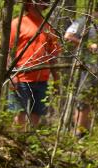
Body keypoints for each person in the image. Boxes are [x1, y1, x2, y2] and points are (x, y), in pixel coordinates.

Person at [64, 0, 98, 137]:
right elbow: (68, 36)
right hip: (86, 70)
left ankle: (85, 134)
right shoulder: (84, 21)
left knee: (91, 104)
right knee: (83, 103)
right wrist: (87, 45)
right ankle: (79, 135)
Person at [6, 0, 61, 129]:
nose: (42, 3)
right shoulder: (17, 23)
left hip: (42, 79)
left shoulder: (48, 27)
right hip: (21, 77)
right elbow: (8, 51)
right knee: (20, 113)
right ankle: (18, 141)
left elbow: (53, 56)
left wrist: (57, 81)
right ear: (29, 3)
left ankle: (30, 140)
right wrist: (12, 75)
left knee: (37, 113)